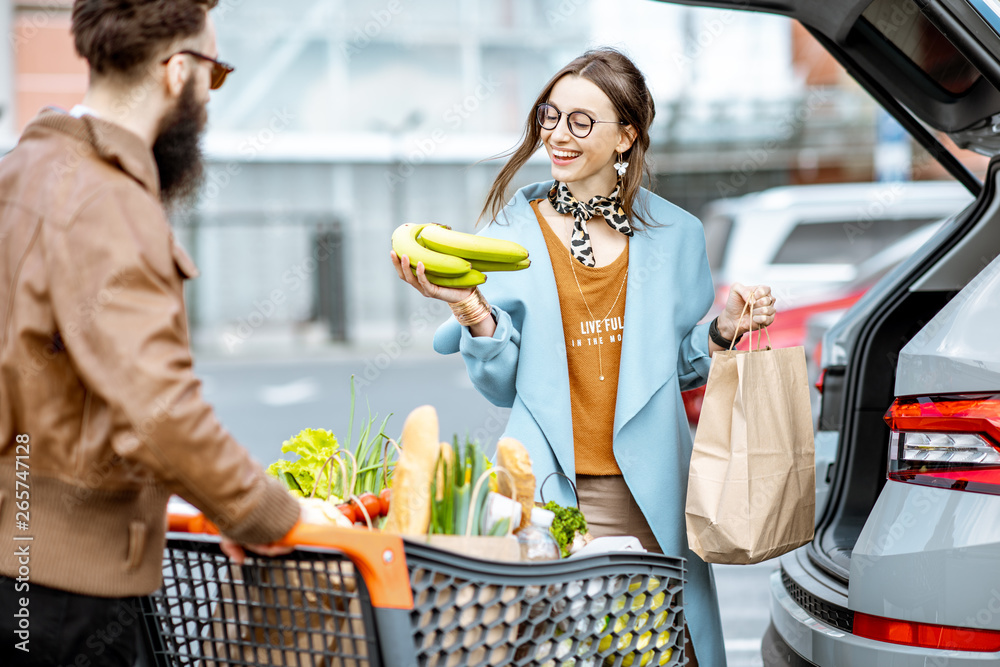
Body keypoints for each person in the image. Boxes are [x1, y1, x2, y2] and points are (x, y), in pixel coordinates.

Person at [390, 47, 777, 666]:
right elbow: (503, 386)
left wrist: (724, 331)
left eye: (581, 121)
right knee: (551, 652)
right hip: (548, 489)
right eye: (550, 115)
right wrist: (470, 310)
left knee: (662, 650)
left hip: (653, 491)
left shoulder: (676, 236)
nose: (558, 136)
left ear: (627, 136)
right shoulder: (512, 234)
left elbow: (672, 369)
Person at [0, 2, 301, 664]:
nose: (209, 96)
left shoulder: (21, 174)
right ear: (176, 72)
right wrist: (265, 511)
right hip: (69, 592)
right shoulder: (109, 202)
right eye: (213, 74)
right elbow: (158, 409)